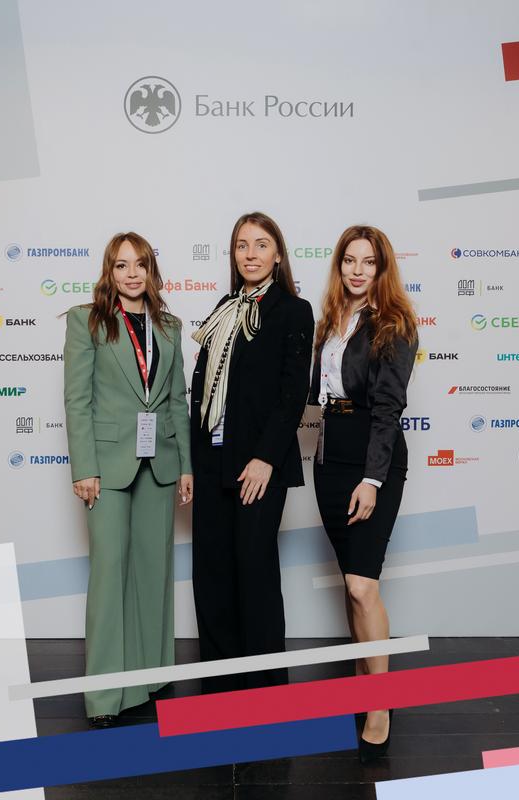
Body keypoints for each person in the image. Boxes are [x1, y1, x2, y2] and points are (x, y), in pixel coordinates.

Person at [63, 231, 193, 728]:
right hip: (108, 466)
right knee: (109, 574)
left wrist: (186, 465)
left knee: (152, 572)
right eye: (121, 265)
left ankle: (149, 679)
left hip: (159, 463)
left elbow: (176, 401)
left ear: (151, 271)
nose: (132, 273)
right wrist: (85, 467)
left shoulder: (169, 326)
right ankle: (102, 696)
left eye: (140, 264)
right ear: (109, 272)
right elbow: (77, 399)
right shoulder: (87, 321)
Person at [189, 211, 314, 693]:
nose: (251, 254)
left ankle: (263, 694)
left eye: (261, 245)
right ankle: (220, 689)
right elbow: (203, 390)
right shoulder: (224, 307)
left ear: (278, 254)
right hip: (213, 460)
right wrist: (193, 461)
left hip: (258, 466)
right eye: (242, 245)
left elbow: (292, 394)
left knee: (255, 576)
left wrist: (265, 459)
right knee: (213, 577)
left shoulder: (293, 310)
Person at [308, 225, 417, 762]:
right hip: (330, 457)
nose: (357, 270)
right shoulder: (330, 318)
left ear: (381, 268)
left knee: (361, 585)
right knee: (351, 585)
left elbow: (389, 409)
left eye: (368, 262)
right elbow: (316, 393)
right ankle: (362, 680)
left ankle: (379, 703)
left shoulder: (394, 323)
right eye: (349, 260)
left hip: (373, 459)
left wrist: (372, 480)